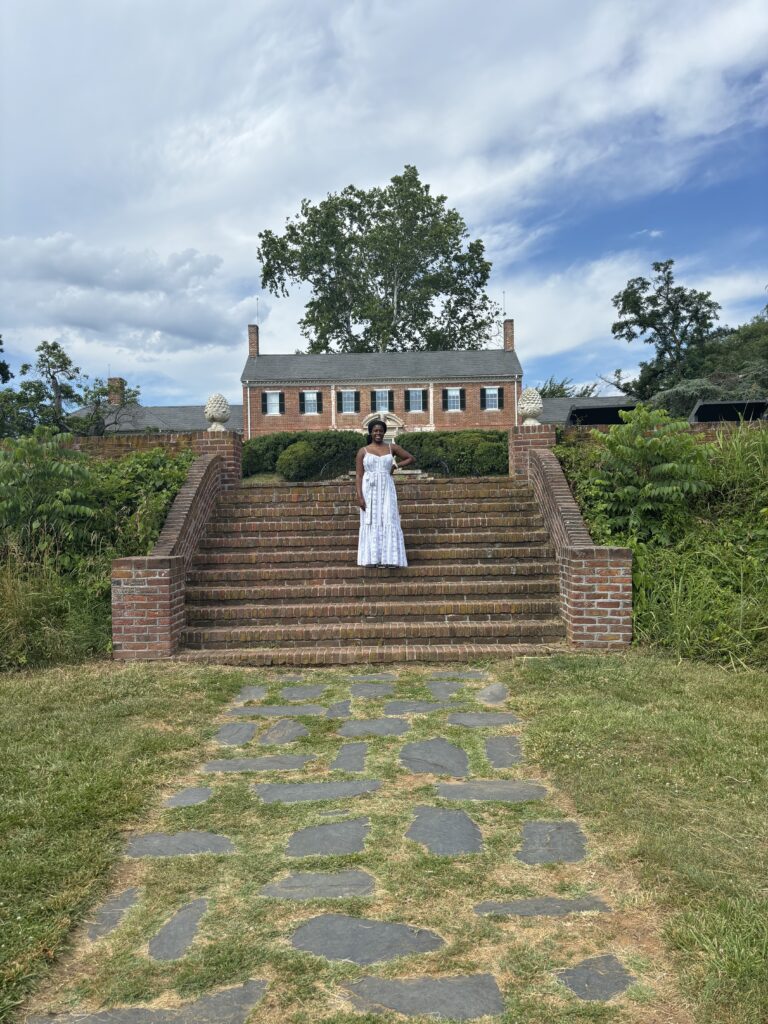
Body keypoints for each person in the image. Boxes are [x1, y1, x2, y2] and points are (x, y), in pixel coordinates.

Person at [356, 419, 415, 567]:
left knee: (389, 518)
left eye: (380, 430)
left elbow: (410, 458)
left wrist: (396, 465)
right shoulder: (363, 451)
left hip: (387, 489)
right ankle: (372, 559)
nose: (378, 433)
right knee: (372, 520)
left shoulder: (391, 447)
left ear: (384, 432)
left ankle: (391, 559)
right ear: (370, 432)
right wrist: (359, 497)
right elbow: (359, 475)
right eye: (375, 430)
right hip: (369, 490)